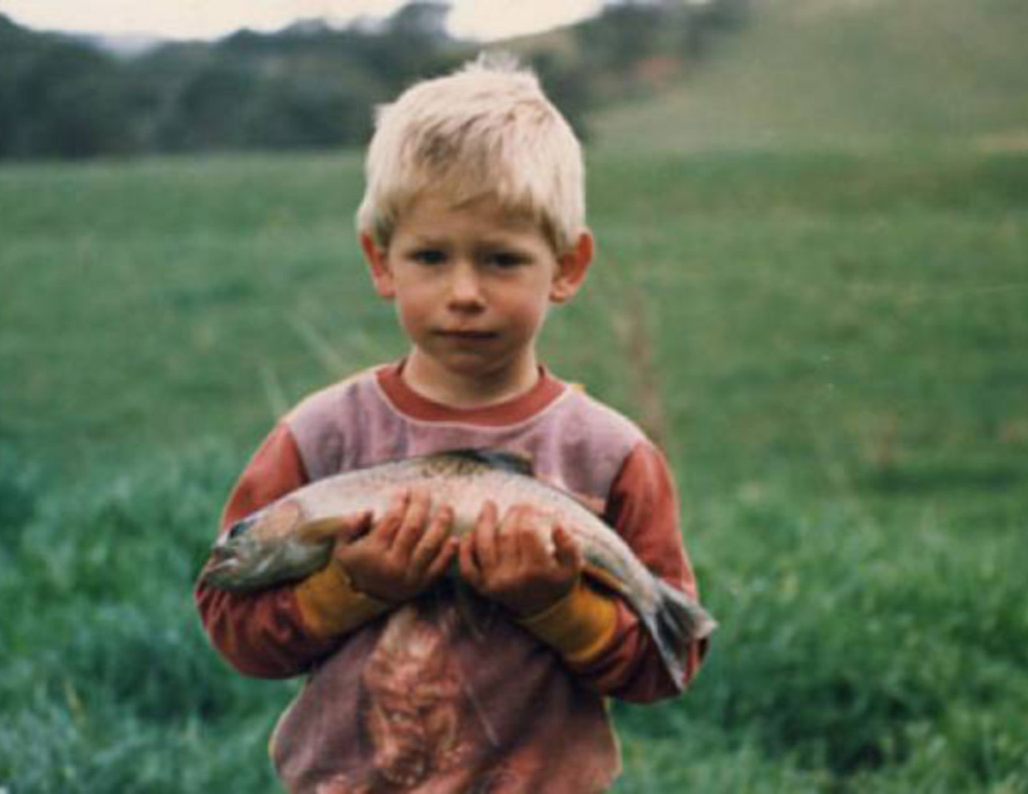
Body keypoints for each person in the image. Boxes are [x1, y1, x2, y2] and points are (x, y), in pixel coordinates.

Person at [195, 54, 710, 793]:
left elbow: (665, 668)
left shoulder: (612, 457)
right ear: (381, 261)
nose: (463, 293)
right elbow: (233, 625)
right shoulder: (318, 439)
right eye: (431, 257)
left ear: (567, 266)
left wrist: (556, 603)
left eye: (502, 260)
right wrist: (348, 586)